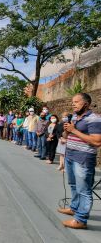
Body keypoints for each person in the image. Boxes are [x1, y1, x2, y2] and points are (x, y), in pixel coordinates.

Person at [58, 93, 101, 229]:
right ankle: (74, 208)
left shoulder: (94, 119)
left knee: (84, 189)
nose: (73, 104)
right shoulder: (75, 118)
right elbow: (68, 135)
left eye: (76, 102)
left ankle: (81, 220)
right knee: (73, 185)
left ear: (86, 104)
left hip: (83, 159)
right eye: (72, 102)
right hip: (70, 155)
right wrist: (67, 131)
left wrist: (74, 130)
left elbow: (96, 141)